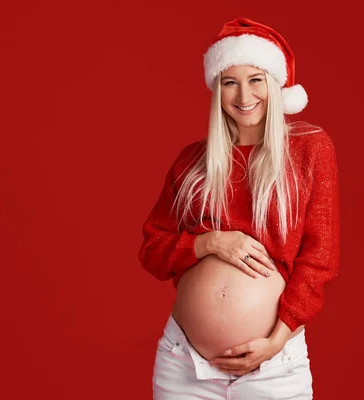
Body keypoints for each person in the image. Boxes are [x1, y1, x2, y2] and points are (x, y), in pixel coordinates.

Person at [138, 17, 339, 400]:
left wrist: (276, 341)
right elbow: (151, 251)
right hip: (185, 365)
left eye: (256, 80)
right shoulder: (191, 161)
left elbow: (320, 258)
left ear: (275, 85)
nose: (243, 95)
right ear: (217, 89)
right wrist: (209, 243)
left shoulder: (311, 149)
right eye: (230, 82)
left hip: (272, 366)